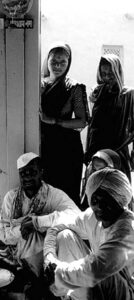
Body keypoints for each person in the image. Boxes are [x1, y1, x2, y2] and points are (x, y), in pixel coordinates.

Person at [43, 168, 134, 300]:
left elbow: (96, 269)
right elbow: (57, 225)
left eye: (106, 201)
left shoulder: (127, 230)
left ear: (119, 199)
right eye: (95, 200)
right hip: (96, 283)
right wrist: (49, 257)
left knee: (102, 276)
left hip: (123, 292)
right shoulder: (91, 217)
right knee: (65, 235)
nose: (100, 207)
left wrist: (57, 272)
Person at [0, 152, 80, 297]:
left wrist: (39, 222)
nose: (28, 177)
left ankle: (47, 284)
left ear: (41, 173)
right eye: (23, 173)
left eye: (32, 172)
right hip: (17, 255)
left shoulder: (54, 195)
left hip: (50, 255)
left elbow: (76, 216)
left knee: (61, 234)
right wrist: (22, 230)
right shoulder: (11, 198)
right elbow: (3, 234)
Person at [40, 42, 89, 206]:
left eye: (62, 63)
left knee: (68, 197)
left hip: (68, 150)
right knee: (48, 196)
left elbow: (82, 121)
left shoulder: (74, 87)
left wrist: (54, 121)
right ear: (47, 61)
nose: (58, 66)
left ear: (69, 63)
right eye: (54, 62)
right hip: (46, 147)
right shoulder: (39, 85)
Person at [84, 53, 134, 182]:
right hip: (97, 153)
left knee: (117, 192)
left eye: (111, 73)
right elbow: (93, 126)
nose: (107, 77)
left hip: (117, 154)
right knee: (94, 192)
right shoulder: (98, 92)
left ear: (118, 71)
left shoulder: (128, 94)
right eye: (103, 73)